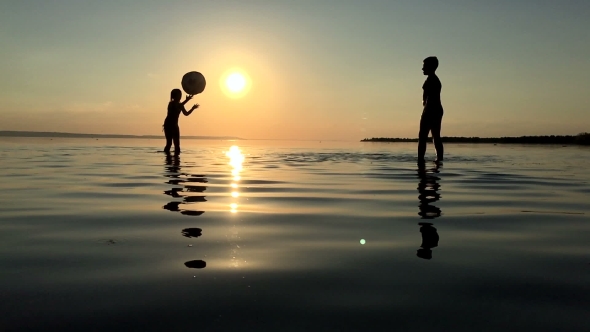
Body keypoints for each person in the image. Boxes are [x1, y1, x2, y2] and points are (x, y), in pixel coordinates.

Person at [418, 56, 444, 163]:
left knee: (423, 137)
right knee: (435, 137)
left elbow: (429, 99)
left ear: (431, 67)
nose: (422, 69)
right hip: (435, 110)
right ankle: (439, 161)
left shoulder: (433, 80)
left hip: (431, 110)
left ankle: (420, 160)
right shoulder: (432, 80)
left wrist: (426, 111)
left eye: (424, 66)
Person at [163, 89, 199, 154]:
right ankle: (167, 160)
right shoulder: (171, 104)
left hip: (175, 125)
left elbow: (186, 113)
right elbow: (177, 106)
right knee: (169, 144)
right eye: (178, 95)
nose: (180, 96)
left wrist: (192, 108)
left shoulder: (181, 105)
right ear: (174, 96)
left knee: (177, 145)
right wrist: (187, 100)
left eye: (180, 95)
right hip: (168, 125)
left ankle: (176, 161)